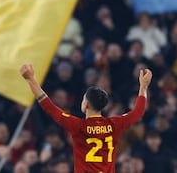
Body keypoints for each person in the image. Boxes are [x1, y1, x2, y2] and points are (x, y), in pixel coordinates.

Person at [20, 63, 152, 173]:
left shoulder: (78, 126)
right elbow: (138, 112)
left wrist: (31, 80)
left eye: (83, 100)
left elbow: (49, 107)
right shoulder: (114, 124)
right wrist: (143, 87)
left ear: (86, 104)